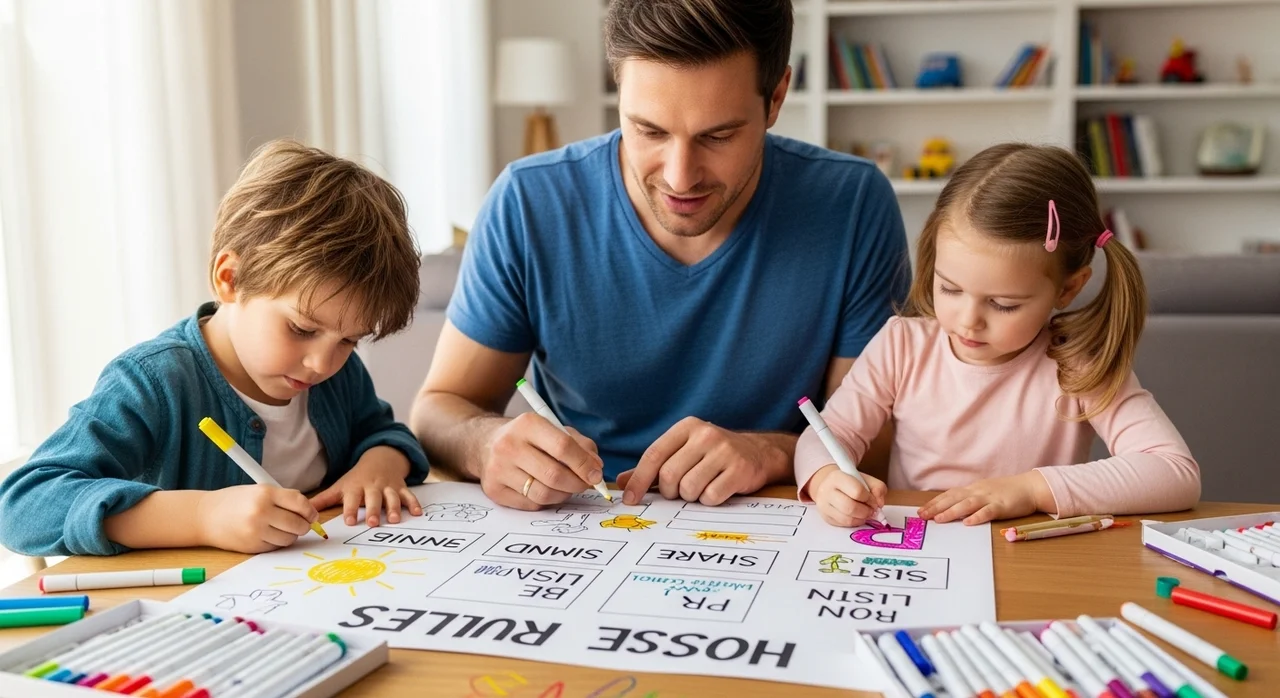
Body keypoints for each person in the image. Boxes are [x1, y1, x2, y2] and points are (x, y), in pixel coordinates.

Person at [412, 0, 908, 511]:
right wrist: (487, 443)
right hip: (588, 520)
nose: (679, 177)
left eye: (718, 136)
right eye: (649, 131)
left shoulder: (852, 206)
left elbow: (875, 448)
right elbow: (437, 412)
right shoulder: (529, 203)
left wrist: (772, 454)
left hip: (779, 520)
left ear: (777, 96)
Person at [0, 139, 430, 557]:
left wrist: (380, 464)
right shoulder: (154, 381)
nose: (322, 363)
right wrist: (203, 516)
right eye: (301, 328)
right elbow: (23, 506)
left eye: (350, 340)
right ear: (230, 279)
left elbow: (383, 431)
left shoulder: (340, 372)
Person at [797, 143, 1200, 527]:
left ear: (1068, 288)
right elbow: (829, 435)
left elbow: (1174, 472)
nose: (969, 321)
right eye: (950, 288)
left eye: (1004, 304)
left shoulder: (1078, 364)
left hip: (1028, 553)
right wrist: (825, 477)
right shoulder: (902, 345)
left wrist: (1030, 490)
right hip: (925, 544)